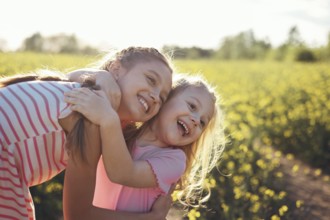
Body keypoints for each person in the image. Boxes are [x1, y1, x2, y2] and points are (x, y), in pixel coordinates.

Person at [0, 46, 173, 220]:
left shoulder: (84, 92)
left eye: (163, 98)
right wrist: (152, 217)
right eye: (151, 80)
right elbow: (77, 216)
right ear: (116, 69)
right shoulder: (91, 114)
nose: (156, 96)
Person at [63, 73, 226, 215]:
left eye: (203, 122)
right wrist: (102, 76)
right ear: (165, 100)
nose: (196, 120)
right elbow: (70, 76)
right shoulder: (124, 130)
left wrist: (108, 118)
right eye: (192, 106)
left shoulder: (174, 160)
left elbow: (123, 173)